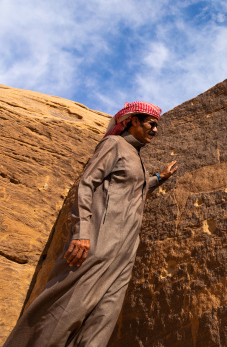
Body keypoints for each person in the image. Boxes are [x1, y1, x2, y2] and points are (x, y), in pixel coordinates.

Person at [5, 102, 177, 347]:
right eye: (151, 123)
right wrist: (81, 231)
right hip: (98, 240)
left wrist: (159, 178)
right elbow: (86, 185)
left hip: (125, 249)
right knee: (67, 310)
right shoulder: (113, 145)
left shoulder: (136, 157)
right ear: (133, 121)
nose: (156, 130)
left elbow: (133, 190)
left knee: (103, 317)